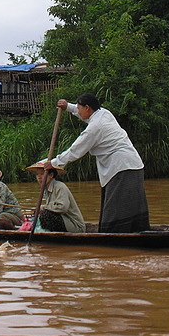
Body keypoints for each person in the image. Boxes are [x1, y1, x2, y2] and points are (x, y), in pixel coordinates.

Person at [43, 93, 150, 233]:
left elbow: (76, 150)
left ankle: (115, 236)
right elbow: (81, 112)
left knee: (116, 206)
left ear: (87, 108)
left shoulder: (95, 127)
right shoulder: (104, 113)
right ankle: (132, 233)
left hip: (121, 167)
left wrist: (55, 163)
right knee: (122, 203)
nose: (78, 110)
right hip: (130, 164)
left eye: (80, 108)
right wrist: (68, 107)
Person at [26, 160, 86, 233]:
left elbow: (63, 207)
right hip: (64, 222)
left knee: (46, 215)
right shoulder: (46, 189)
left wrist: (42, 208)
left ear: (51, 175)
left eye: (42, 174)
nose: (39, 177)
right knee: (40, 214)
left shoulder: (59, 187)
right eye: (37, 174)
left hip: (75, 226)